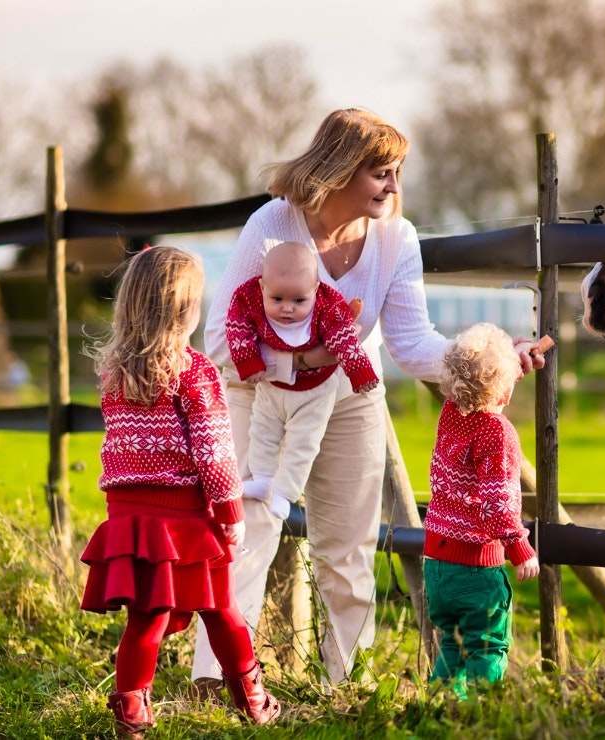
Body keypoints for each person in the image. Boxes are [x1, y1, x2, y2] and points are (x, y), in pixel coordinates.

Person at [194, 108, 546, 688]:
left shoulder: (395, 238)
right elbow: (216, 342)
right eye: (381, 171)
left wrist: (499, 356)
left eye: (398, 171)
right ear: (338, 170)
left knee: (349, 546)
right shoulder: (273, 227)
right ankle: (220, 680)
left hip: (348, 394)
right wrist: (304, 360)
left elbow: (411, 344)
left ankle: (345, 682)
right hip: (256, 391)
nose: (394, 185)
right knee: (248, 531)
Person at [80, 246, 280, 738]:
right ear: (182, 311)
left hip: (131, 519)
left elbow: (120, 450)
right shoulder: (194, 371)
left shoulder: (116, 374)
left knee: (146, 621)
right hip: (184, 520)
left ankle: (132, 716)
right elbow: (214, 450)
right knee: (221, 610)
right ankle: (253, 702)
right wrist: (231, 511)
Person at [423, 323, 541, 695]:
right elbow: (496, 504)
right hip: (475, 565)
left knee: (452, 646)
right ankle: (483, 720)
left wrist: (510, 367)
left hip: (437, 566)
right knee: (486, 647)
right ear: (504, 389)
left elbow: (481, 386)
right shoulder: (498, 433)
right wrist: (519, 548)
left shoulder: (450, 412)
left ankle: (438, 711)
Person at [225, 240, 378, 521]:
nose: (287, 309)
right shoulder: (248, 300)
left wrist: (360, 372)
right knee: (261, 430)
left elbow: (343, 340)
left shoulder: (327, 308)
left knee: (303, 443)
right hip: (273, 386)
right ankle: (262, 478)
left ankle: (285, 492)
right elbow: (237, 327)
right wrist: (249, 361)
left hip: (315, 391)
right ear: (262, 288)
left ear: (315, 291)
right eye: (277, 299)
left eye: (298, 301)